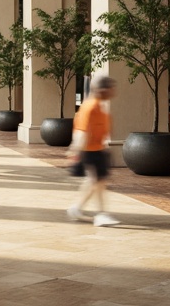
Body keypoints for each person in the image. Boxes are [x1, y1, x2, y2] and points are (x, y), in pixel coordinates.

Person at [67, 74, 118, 226]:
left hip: (98, 149)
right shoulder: (90, 107)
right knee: (97, 182)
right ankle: (101, 214)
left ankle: (77, 208)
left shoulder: (100, 106)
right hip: (89, 151)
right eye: (111, 88)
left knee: (95, 182)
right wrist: (76, 151)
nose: (114, 91)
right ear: (103, 90)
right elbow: (82, 131)